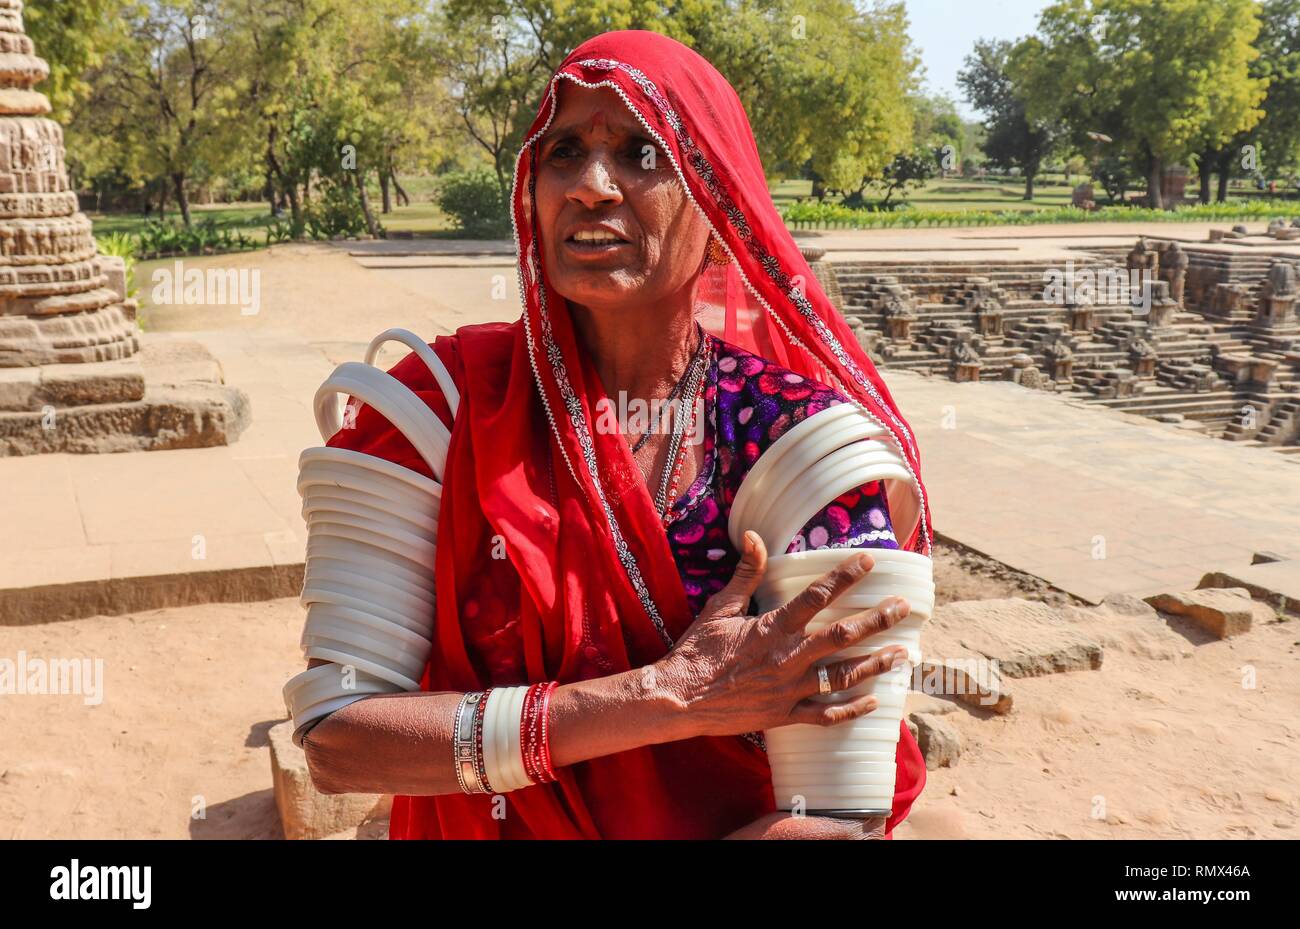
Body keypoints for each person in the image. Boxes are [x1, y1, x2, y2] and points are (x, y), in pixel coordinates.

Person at [301, 29, 933, 840]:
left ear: (718, 206)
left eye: (641, 152)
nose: (593, 186)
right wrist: (659, 698)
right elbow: (340, 742)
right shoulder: (438, 410)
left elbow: (839, 805)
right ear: (532, 191)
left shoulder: (800, 447)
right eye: (564, 151)